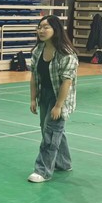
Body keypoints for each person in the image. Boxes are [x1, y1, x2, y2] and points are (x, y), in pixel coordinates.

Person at [28, 14, 79, 183]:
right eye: (39, 27)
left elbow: (67, 82)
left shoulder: (66, 54)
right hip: (45, 95)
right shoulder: (38, 50)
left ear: (55, 30)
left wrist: (58, 106)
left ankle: (43, 171)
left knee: (50, 133)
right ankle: (63, 163)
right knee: (51, 130)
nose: (41, 30)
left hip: (60, 98)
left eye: (46, 27)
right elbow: (34, 76)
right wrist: (33, 98)